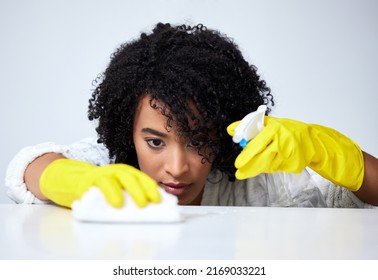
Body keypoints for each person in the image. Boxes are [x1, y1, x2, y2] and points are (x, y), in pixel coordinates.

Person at [5, 23, 378, 209]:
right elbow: (27, 168)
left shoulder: (257, 181)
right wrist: (64, 177)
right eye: (154, 142)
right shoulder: (112, 172)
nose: (178, 167)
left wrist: (332, 153)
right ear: (127, 132)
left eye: (199, 141)